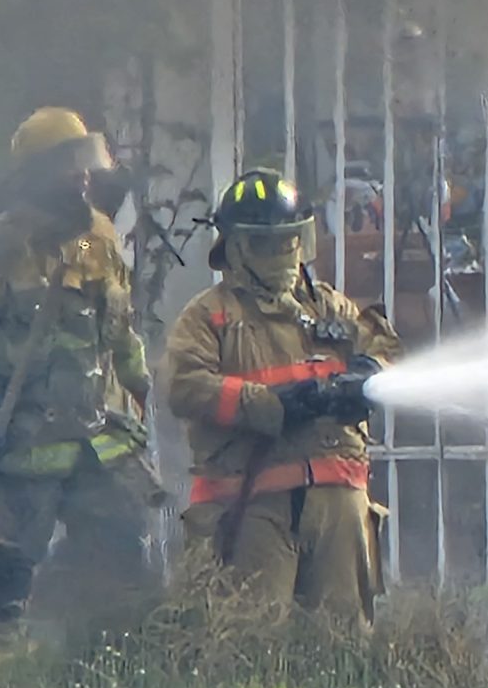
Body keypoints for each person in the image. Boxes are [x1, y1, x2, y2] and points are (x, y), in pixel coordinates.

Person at [0, 107, 159, 631]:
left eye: (84, 164)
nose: (83, 176)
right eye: (68, 165)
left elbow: (119, 327)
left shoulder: (97, 237)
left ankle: (93, 665)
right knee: (0, 588)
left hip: (101, 447)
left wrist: (140, 391)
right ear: (35, 178)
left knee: (121, 571)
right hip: (23, 451)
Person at [165, 168, 400, 622]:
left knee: (343, 640)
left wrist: (368, 373)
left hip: (338, 503)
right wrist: (274, 405)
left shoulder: (328, 306)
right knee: (253, 642)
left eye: (291, 240)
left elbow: (383, 346)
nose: (284, 253)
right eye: (267, 244)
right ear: (235, 248)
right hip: (251, 504)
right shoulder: (209, 316)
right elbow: (185, 385)